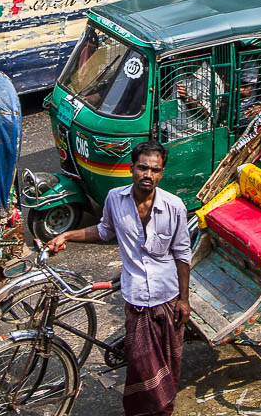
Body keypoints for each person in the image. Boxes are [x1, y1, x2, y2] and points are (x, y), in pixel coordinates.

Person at [48, 141, 191, 416]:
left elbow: (182, 255)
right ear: (131, 168)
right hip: (136, 298)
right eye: (142, 168)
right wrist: (66, 235)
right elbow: (103, 231)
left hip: (167, 297)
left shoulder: (174, 207)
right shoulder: (115, 198)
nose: (148, 174)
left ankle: (164, 410)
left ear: (162, 173)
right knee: (140, 366)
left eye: (155, 169)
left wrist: (184, 300)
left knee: (169, 364)